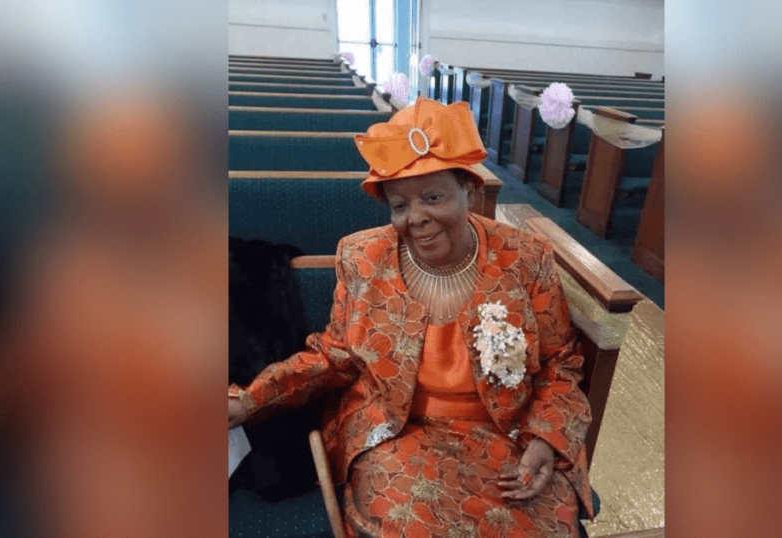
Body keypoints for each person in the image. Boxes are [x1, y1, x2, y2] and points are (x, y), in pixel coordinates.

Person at [228, 97, 595, 537]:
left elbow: (560, 363)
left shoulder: (526, 258)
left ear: (470, 191)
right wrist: (249, 399)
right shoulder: (363, 258)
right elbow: (334, 355)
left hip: (507, 432)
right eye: (399, 205)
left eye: (433, 197)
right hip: (395, 432)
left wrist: (546, 439)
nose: (416, 218)